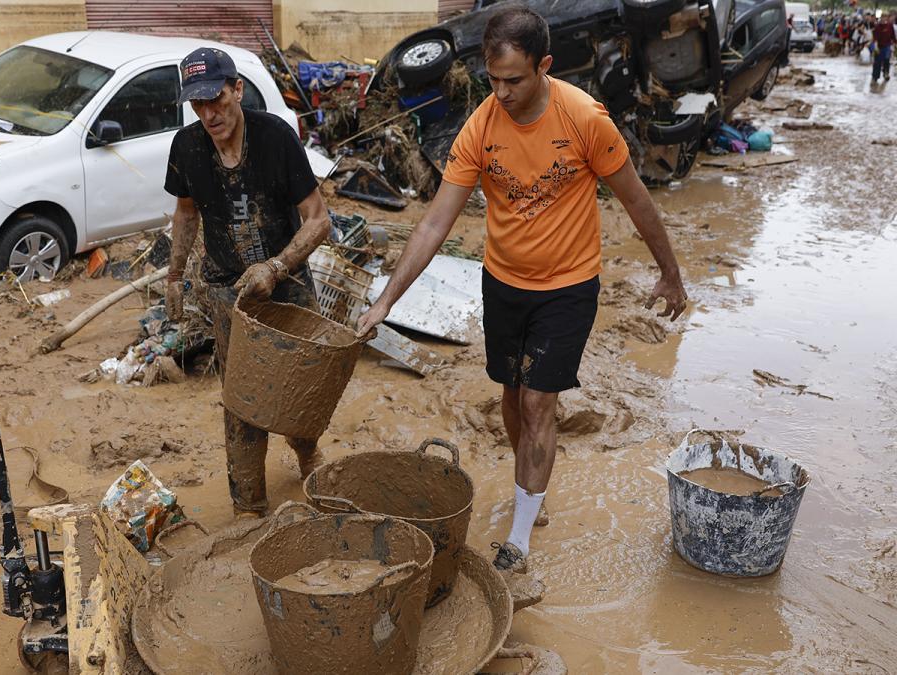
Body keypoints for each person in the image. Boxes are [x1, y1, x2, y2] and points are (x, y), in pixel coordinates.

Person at [357, 5, 687, 572]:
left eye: (515, 80)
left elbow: (636, 198)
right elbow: (435, 222)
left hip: (569, 285)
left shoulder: (586, 120)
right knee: (511, 397)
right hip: (504, 282)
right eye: (493, 80)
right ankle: (530, 487)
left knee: (539, 402)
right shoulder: (481, 128)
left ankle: (518, 540)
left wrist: (671, 273)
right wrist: (387, 300)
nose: (503, 93)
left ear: (545, 67)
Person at [164, 47, 331, 518]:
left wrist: (276, 267)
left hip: (288, 280)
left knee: (301, 381)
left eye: (216, 99)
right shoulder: (187, 147)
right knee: (243, 398)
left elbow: (319, 220)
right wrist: (175, 276)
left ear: (238, 90)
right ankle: (249, 503)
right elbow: (186, 212)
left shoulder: (276, 136)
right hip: (227, 289)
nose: (209, 114)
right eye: (197, 105)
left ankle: (306, 451)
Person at [874, 12, 894, 82]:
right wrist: (876, 46)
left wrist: (894, 44)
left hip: (887, 46)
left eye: (885, 17)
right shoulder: (877, 26)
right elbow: (875, 37)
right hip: (879, 46)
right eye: (883, 17)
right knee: (877, 62)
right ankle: (875, 76)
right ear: (881, 17)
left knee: (886, 60)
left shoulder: (890, 26)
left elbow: (893, 36)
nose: (884, 18)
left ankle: (886, 73)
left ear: (887, 18)